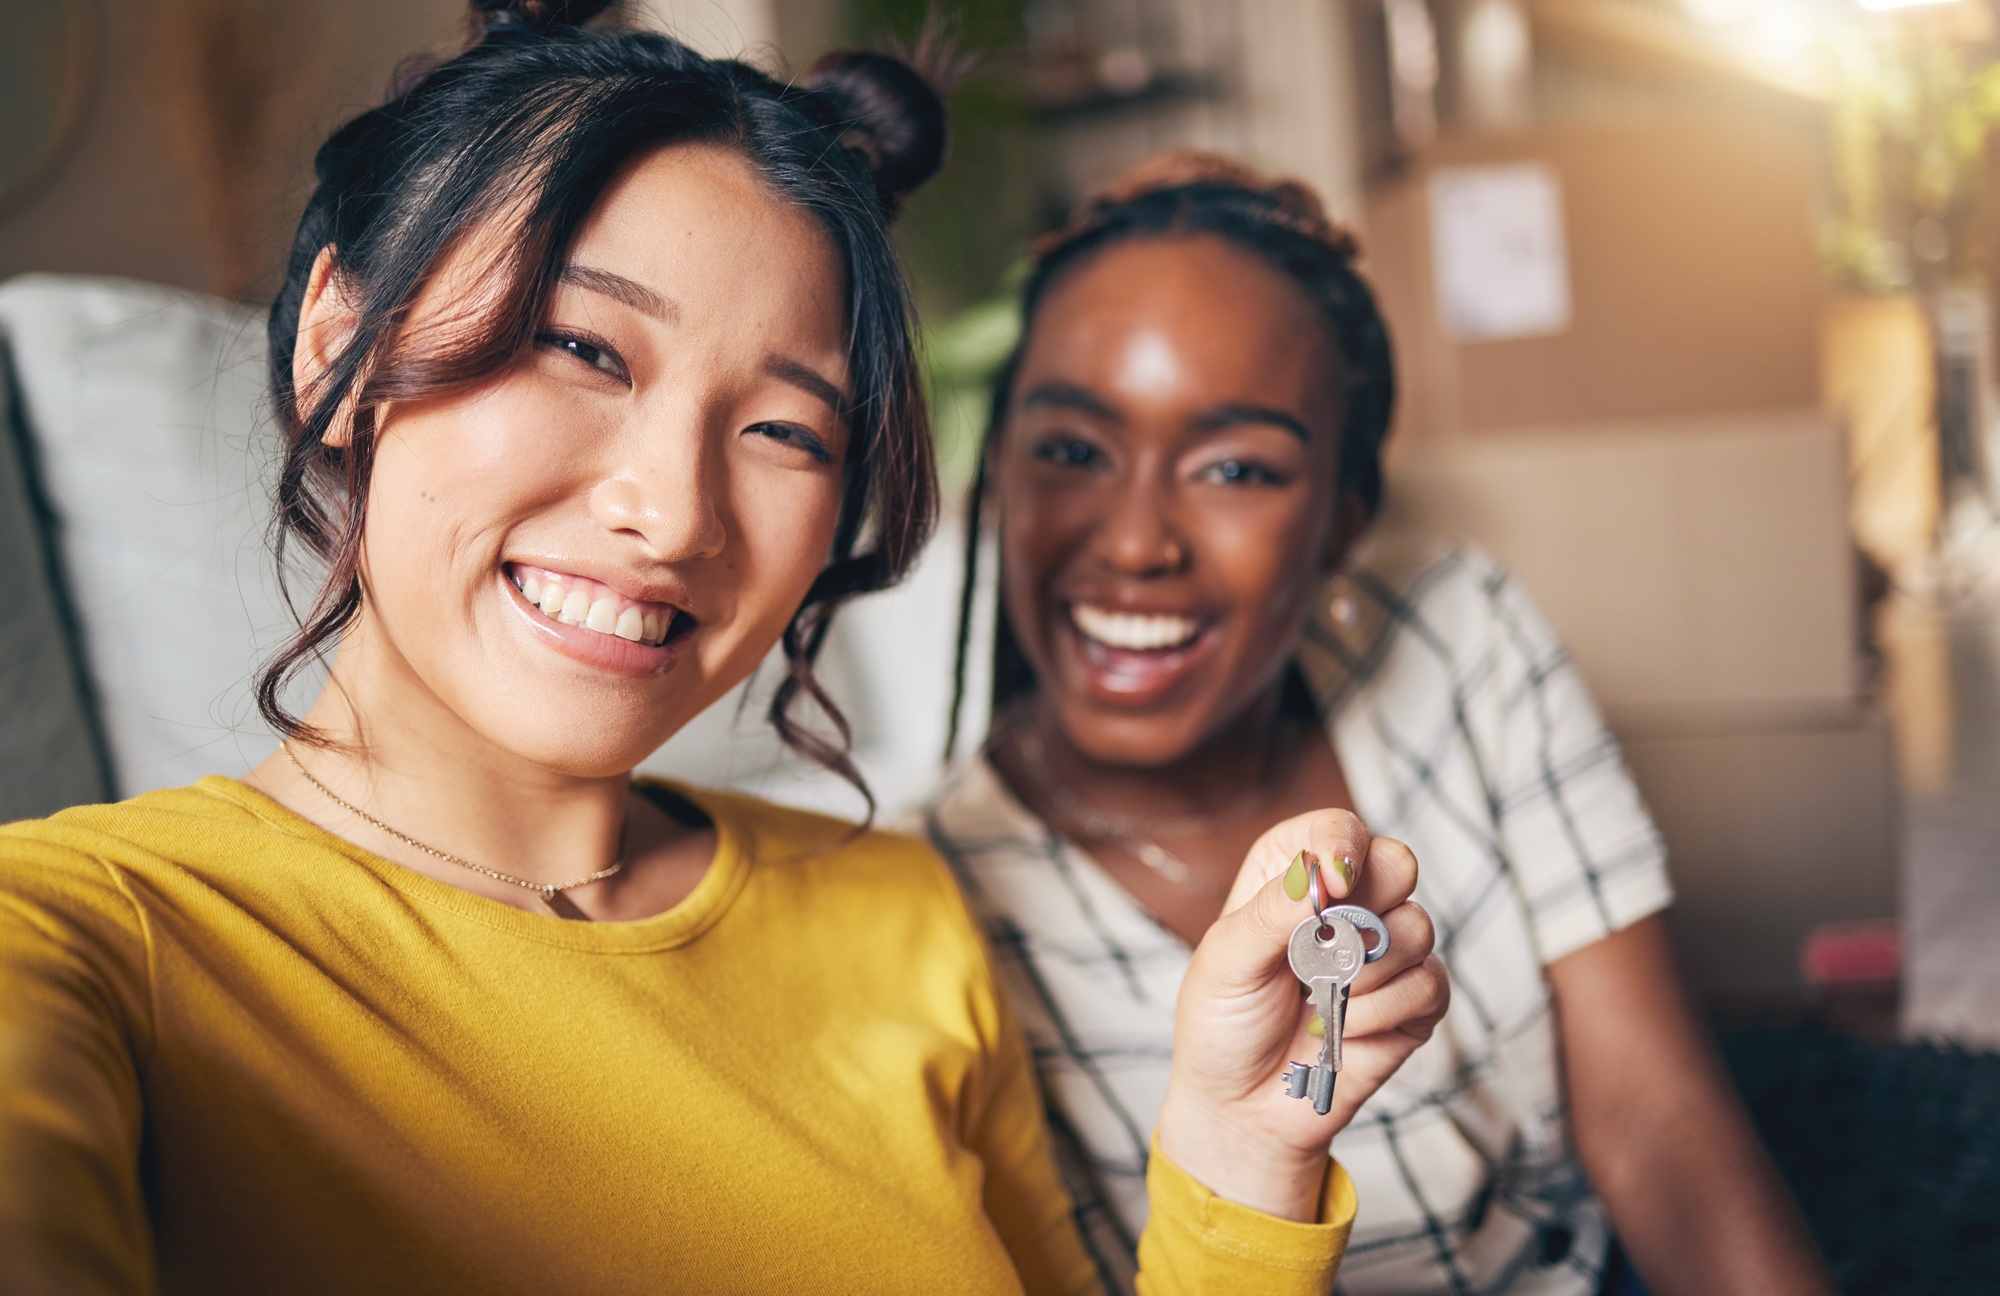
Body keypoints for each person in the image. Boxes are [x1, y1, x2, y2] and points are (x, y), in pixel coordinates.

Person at [0, 12, 1450, 1295]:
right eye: (583, 349)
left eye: (785, 431)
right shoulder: (81, 938)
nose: (673, 512)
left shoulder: (895, 912)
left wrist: (1243, 1143)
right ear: (341, 345)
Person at [922, 151, 1836, 1296]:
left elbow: (1653, 1117)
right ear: (998, 473)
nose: (1134, 540)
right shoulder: (932, 903)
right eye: (1069, 451)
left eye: (1233, 467)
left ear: (1343, 520)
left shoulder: (1463, 639)